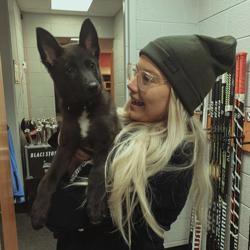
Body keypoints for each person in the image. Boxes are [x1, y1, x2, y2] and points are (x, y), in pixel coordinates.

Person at [46, 34, 236, 250]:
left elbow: (57, 214)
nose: (131, 84)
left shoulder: (176, 155)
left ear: (177, 96)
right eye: (136, 72)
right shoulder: (123, 126)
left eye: (147, 78)